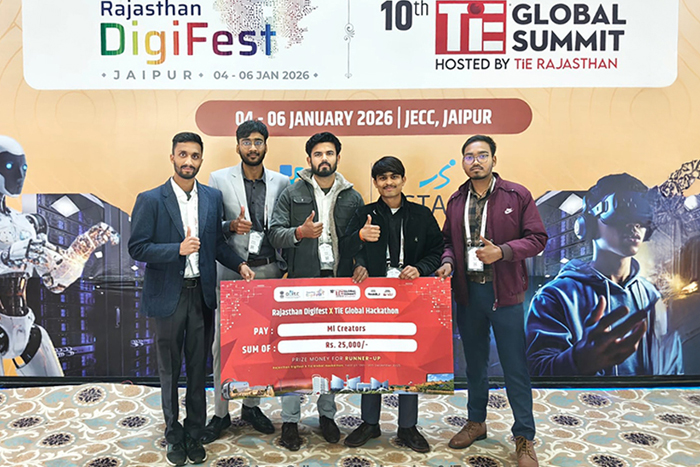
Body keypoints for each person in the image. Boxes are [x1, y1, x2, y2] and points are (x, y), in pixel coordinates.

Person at [128, 132, 255, 466]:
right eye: (182, 154)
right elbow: (137, 247)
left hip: (201, 295)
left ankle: (195, 432)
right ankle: (174, 434)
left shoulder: (212, 198)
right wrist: (178, 250)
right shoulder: (151, 199)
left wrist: (239, 265)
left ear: (201, 159)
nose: (188, 161)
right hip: (168, 297)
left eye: (194, 156)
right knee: (170, 371)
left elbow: (216, 244)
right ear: (172, 157)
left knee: (198, 370)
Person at [436, 135, 547, 467]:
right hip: (469, 294)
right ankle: (476, 422)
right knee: (474, 365)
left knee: (515, 368)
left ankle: (524, 437)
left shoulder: (517, 195)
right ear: (463, 162)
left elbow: (538, 238)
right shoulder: (456, 200)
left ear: (494, 160)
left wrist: (503, 251)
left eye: (482, 155)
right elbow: (447, 242)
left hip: (505, 294)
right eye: (469, 156)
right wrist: (448, 262)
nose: (476, 161)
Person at [526, 173, 683, 376]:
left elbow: (672, 371)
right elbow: (536, 372)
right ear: (589, 225)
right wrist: (577, 361)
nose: (634, 226)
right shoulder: (556, 297)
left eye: (640, 217)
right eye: (622, 213)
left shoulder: (652, 297)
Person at [269, 131, 364, 450]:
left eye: (329, 153)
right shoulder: (292, 192)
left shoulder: (352, 197)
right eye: (318, 154)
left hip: (338, 285)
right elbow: (274, 233)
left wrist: (361, 263)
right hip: (301, 283)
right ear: (308, 159)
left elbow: (360, 241)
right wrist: (300, 232)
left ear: (338, 157)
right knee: (293, 355)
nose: (324, 159)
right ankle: (290, 421)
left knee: (331, 353)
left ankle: (327, 415)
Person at [341, 156, 443, 453]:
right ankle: (370, 422)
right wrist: (359, 257)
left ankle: (407, 426)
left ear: (403, 180)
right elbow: (346, 248)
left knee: (409, 358)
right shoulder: (365, 213)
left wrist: (420, 268)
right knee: (372, 357)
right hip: (373, 298)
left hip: (411, 296)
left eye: (394, 177)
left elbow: (437, 250)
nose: (388, 183)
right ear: (375, 183)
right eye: (382, 178)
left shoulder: (422, 214)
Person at [0, 135, 119, 377]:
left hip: (24, 326)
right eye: (10, 166)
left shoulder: (27, 224)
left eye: (24, 167)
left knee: (56, 389)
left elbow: (56, 281)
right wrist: (8, 256)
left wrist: (85, 245)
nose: (20, 175)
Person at [203, 120, 290, 443]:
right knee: (223, 347)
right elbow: (209, 227)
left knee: (260, 344)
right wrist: (230, 226)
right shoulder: (218, 179)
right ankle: (220, 413)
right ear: (237, 145)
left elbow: (284, 226)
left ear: (266, 145)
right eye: (246, 142)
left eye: (258, 141)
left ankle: (251, 407)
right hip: (231, 271)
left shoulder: (282, 182)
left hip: (268, 271)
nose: (252, 148)